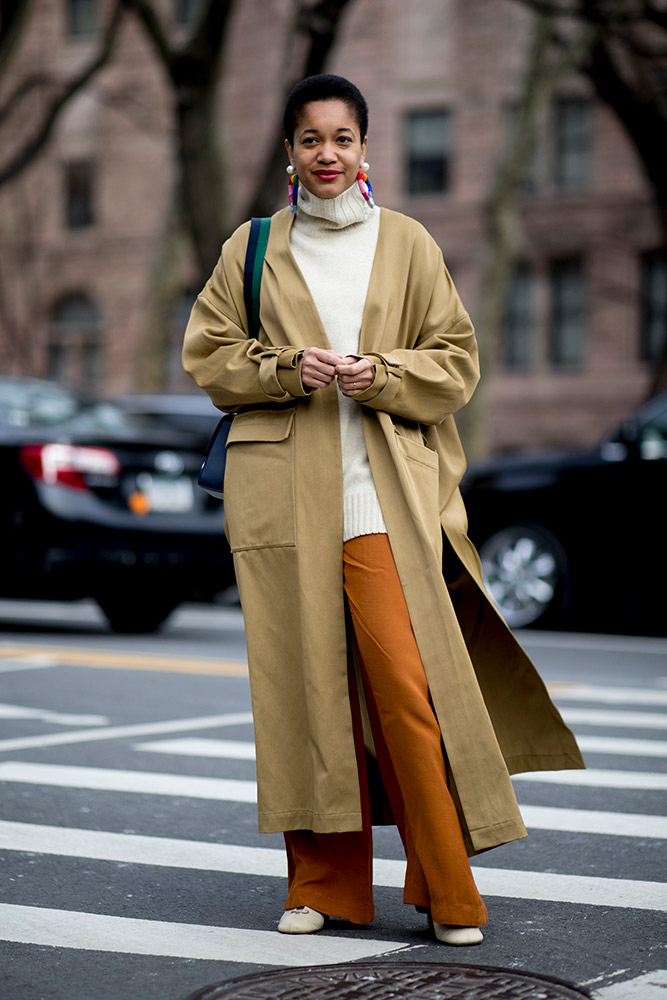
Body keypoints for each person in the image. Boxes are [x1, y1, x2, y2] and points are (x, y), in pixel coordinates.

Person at [182, 74, 584, 946]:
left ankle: (448, 887)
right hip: (284, 500)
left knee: (406, 689)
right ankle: (320, 886)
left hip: (379, 498)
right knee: (304, 695)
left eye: (342, 138)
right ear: (289, 152)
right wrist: (288, 366)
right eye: (309, 139)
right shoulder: (248, 249)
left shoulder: (406, 244)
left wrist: (384, 376)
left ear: (367, 150)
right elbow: (209, 356)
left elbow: (455, 361)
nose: (327, 154)